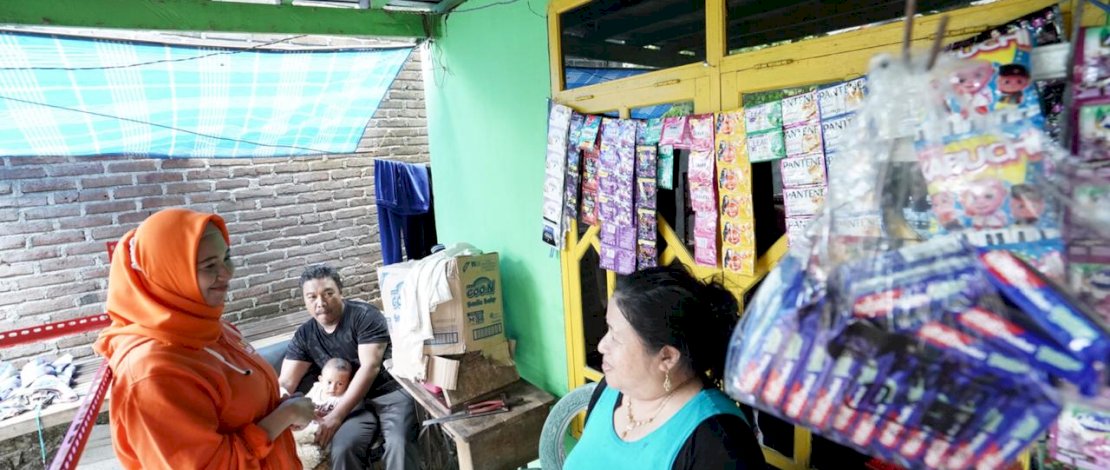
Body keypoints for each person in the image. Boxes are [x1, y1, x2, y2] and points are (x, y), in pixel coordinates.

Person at [94, 208, 313, 469]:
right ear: (168, 274)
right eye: (209, 265)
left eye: (227, 257)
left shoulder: (209, 328)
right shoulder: (153, 373)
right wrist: (283, 416)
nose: (227, 273)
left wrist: (279, 409)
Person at [564, 266, 766, 469]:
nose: (601, 346)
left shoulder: (718, 441)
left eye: (616, 337)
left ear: (667, 357)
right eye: (608, 328)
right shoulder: (611, 389)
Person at [279, 265, 419, 470]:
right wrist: (280, 415)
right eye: (312, 297)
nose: (321, 303)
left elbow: (369, 367)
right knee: (343, 448)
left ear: (340, 292)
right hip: (351, 405)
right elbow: (285, 382)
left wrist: (336, 416)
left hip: (389, 394)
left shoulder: (364, 316)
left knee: (399, 444)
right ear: (304, 300)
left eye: (328, 293)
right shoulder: (305, 334)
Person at [295, 358, 355, 470]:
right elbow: (305, 403)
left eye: (340, 384)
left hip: (327, 432)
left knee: (327, 446)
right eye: (329, 382)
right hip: (308, 426)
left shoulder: (344, 397)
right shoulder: (317, 388)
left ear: (348, 384)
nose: (333, 388)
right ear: (321, 379)